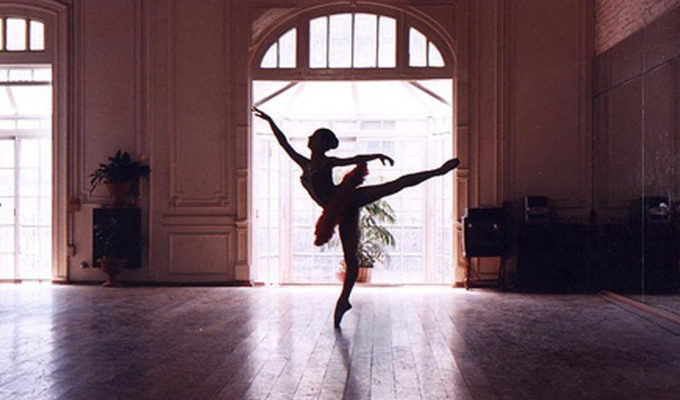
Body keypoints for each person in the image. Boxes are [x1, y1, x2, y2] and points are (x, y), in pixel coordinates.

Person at [253, 106, 460, 327]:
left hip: (347, 200)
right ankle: (344, 301)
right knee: (351, 259)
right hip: (338, 209)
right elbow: (283, 143)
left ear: (321, 144)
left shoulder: (327, 162)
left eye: (314, 136)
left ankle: (438, 171)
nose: (309, 137)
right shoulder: (305, 163)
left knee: (393, 186)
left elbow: (354, 158)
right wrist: (270, 121)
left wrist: (376, 155)